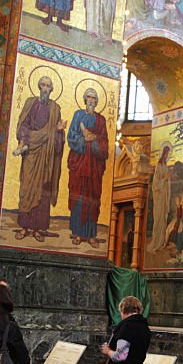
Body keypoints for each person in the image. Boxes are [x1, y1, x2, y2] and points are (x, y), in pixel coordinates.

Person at [11, 75, 65, 241]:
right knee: (27, 187)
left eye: (48, 86)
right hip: (30, 153)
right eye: (42, 85)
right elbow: (22, 125)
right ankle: (26, 227)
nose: (45, 88)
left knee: (43, 191)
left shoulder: (55, 108)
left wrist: (58, 131)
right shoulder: (30, 103)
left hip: (46, 156)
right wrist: (24, 140)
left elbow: (57, 140)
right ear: (38, 87)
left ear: (52, 89)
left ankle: (39, 229)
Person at [66, 87, 109, 247]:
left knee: (93, 198)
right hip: (80, 163)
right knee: (78, 195)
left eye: (93, 98)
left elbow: (105, 142)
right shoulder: (78, 115)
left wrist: (95, 140)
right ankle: (77, 233)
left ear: (96, 102)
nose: (91, 100)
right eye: (88, 97)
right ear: (85, 100)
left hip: (94, 166)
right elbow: (71, 136)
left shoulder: (101, 120)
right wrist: (84, 139)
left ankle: (91, 235)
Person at [149, 144, 172, 250]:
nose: (167, 156)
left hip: (164, 195)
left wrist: (168, 179)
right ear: (164, 153)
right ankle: (155, 242)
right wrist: (164, 180)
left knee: (163, 219)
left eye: (169, 154)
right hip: (159, 196)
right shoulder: (159, 166)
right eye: (167, 154)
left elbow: (167, 178)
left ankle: (161, 242)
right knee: (158, 218)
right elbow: (155, 184)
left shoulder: (165, 165)